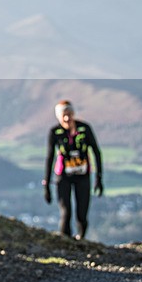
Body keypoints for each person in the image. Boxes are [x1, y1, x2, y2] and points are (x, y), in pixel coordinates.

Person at [43, 100, 104, 240]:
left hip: (82, 176)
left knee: (82, 214)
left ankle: (81, 239)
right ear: (58, 116)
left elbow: (96, 152)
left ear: (73, 113)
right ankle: (66, 242)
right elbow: (50, 157)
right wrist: (46, 184)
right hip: (63, 177)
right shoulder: (55, 132)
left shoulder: (85, 128)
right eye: (63, 115)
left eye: (69, 114)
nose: (67, 118)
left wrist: (99, 178)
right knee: (66, 212)